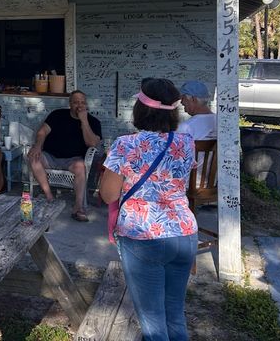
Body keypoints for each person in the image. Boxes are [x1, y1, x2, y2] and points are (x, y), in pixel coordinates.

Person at [100, 78, 198, 341]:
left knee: (154, 325)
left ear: (140, 109)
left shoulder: (125, 145)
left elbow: (108, 194)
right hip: (184, 234)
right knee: (175, 315)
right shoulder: (186, 142)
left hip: (143, 238)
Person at [26, 90, 102, 222]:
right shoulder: (57, 115)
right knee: (33, 156)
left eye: (82, 103)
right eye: (76, 102)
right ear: (70, 104)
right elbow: (42, 132)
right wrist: (38, 145)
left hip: (73, 160)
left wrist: (84, 121)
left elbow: (92, 143)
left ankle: (78, 207)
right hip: (51, 157)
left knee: (80, 166)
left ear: (86, 105)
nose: (79, 105)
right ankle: (49, 197)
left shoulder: (93, 122)